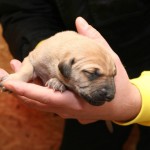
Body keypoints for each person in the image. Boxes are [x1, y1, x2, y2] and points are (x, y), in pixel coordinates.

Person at [0, 0, 150, 149]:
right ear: (65, 68)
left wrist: (138, 100)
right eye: (92, 74)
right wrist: (44, 55)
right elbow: (22, 12)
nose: (109, 93)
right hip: (79, 97)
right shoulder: (65, 62)